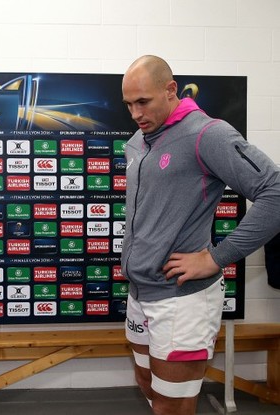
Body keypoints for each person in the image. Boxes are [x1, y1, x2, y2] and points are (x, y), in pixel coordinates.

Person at [120, 55, 280, 415]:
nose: (135, 113)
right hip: (139, 292)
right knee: (148, 387)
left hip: (182, 300)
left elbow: (276, 193)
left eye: (143, 101)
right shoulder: (138, 140)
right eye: (129, 104)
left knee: (172, 406)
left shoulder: (207, 134)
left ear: (171, 89)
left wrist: (215, 257)